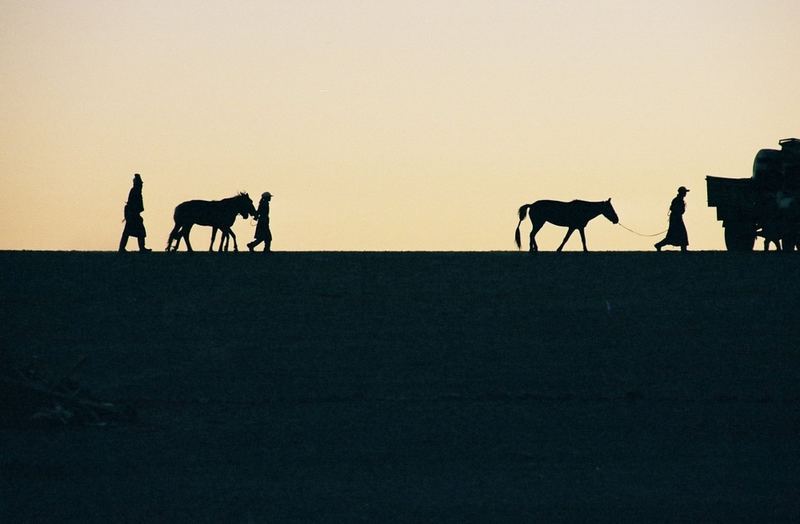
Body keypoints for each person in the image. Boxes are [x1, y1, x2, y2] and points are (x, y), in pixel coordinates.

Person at [118, 173, 151, 252]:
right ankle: (123, 248)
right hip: (133, 214)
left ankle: (140, 248)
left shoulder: (136, 191)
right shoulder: (135, 191)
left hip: (133, 214)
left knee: (135, 232)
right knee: (134, 231)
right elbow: (133, 204)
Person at [655, 186, 689, 252]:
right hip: (676, 219)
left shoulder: (678, 199)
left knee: (676, 234)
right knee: (678, 234)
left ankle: (659, 245)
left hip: (677, 218)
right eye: (684, 192)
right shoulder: (677, 200)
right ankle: (659, 245)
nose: (685, 193)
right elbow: (674, 209)